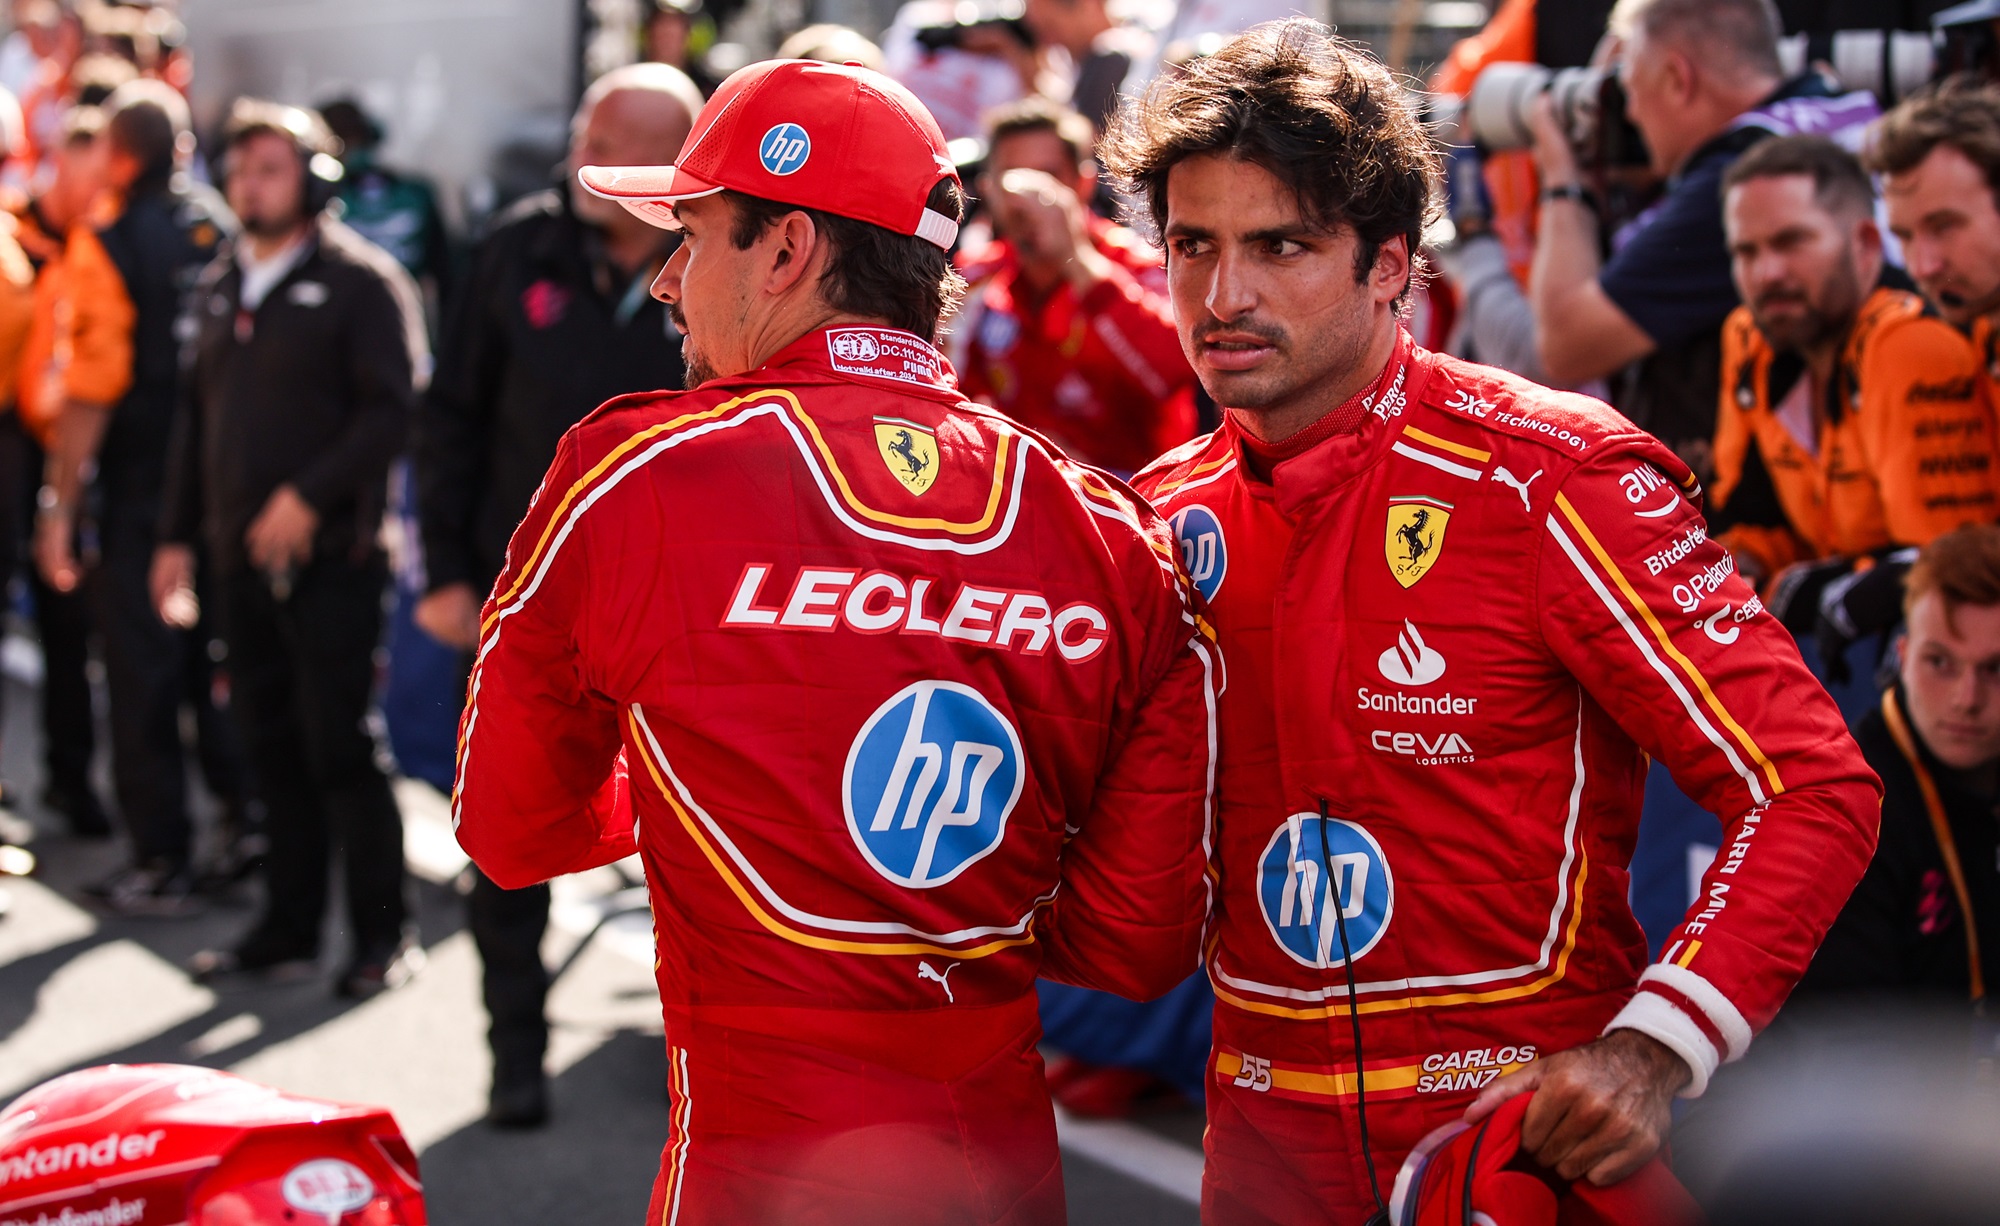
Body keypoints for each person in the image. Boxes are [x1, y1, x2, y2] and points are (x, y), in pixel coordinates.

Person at [1107, 20, 1881, 1221]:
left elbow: (1810, 785)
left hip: (1514, 1146)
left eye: (1281, 246)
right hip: (1259, 1149)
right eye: (1191, 246)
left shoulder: (1553, 475)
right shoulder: (1154, 521)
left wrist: (1649, 1049)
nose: (1223, 294)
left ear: (1388, 266)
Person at [456, 58, 1214, 1222]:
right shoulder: (1110, 529)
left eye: (692, 235)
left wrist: (704, 766)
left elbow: (511, 829)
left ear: (785, 249)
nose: (665, 280)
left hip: (747, 1175)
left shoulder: (634, 475)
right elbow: (1131, 945)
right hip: (1000, 1176)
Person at [413, 61, 699, 1130]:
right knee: (505, 839)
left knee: (695, 845)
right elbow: (449, 417)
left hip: (676, 615)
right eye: (588, 137)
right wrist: (443, 570)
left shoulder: (723, 257)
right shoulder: (510, 250)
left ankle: (694, 1057)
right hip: (521, 605)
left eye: (622, 146)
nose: (592, 166)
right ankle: (514, 1049)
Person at [155, 100, 426, 998]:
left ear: (314, 180)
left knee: (341, 746)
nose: (248, 185)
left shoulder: (363, 280)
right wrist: (173, 538)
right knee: (267, 743)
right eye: (240, 169)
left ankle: (382, 938)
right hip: (234, 557)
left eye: (269, 168)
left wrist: (308, 497)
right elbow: (194, 425)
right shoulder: (222, 279)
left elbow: (392, 409)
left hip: (336, 560)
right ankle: (287, 928)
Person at [33, 80, 235, 915]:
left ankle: (161, 860)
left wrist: (59, 508)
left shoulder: (107, 242)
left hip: (144, 493)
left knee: (141, 675)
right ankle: (245, 831)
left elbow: (91, 387)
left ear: (118, 157)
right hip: (221, 485)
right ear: (182, 149)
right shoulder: (223, 228)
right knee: (214, 665)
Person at [1525, 0, 1877, 467]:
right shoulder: (1832, 114)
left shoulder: (1750, 182)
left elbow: (1565, 346)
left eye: (1629, 89)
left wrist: (1564, 181)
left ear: (1677, 78)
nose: (1629, 115)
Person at [1711, 135, 1998, 616]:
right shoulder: (1749, 339)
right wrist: (1749, 561)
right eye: (1746, 252)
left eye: (1791, 242)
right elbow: (1765, 527)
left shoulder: (1907, 342)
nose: (1766, 274)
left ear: (1866, 243)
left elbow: (1951, 574)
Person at [1789, 524, 2000, 1008]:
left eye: (1995, 669)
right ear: (1901, 658)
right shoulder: (1845, 815)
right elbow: (1851, 1056)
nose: (1967, 700)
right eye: (1940, 663)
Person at [955, 96, 1195, 475]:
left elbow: (1178, 369)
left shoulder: (1139, 263)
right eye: (1014, 180)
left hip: (1143, 496)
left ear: (1082, 184)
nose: (1030, 200)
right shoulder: (974, 277)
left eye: (1047, 179)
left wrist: (1077, 259)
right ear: (988, 189)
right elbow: (949, 393)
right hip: (1025, 492)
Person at [12, 104, 111, 838]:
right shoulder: (13, 239)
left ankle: (71, 781)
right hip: (10, 452)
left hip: (67, 461)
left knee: (68, 625)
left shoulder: (103, 248)